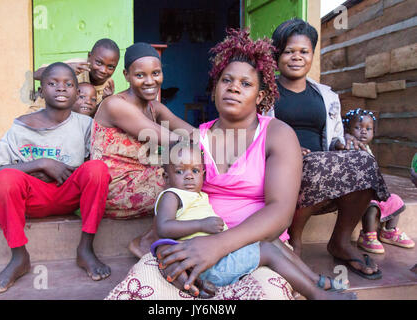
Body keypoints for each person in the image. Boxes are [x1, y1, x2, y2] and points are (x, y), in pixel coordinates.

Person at [105, 29, 334, 300]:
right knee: (140, 289)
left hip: (257, 249)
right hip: (193, 245)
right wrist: (171, 250)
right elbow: (176, 198)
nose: (234, 87)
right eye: (226, 80)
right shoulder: (193, 140)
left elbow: (280, 213)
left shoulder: (277, 134)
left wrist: (215, 245)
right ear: (215, 88)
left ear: (261, 96)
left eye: (246, 84)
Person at [268, 18, 390, 280]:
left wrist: (343, 142)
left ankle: (341, 241)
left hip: (322, 164)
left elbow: (334, 136)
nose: (296, 57)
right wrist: (288, 147)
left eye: (304, 51)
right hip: (282, 168)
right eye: (289, 51)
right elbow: (254, 133)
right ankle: (295, 241)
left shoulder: (326, 95)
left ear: (312, 54)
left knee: (363, 160)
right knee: (314, 166)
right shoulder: (264, 92)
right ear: (277, 54)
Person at [155, 142, 355, 299]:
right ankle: (317, 295)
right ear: (166, 176)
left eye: (195, 171)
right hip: (206, 266)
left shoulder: (197, 195)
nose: (189, 177)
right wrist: (201, 225)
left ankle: (314, 280)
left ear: (203, 173)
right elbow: (164, 227)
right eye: (180, 171)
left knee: (269, 238)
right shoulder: (171, 195)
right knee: (266, 250)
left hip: (219, 254)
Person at [0, 62, 111, 293]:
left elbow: (96, 165)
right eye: (53, 83)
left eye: (68, 84)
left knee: (98, 169)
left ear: (76, 92)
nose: (61, 88)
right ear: (41, 91)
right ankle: (18, 256)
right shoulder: (20, 127)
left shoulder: (85, 124)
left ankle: (86, 248)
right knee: (6, 179)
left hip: (69, 195)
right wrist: (40, 164)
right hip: (33, 198)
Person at [91, 42, 195, 258]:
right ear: (126, 75)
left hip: (146, 178)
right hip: (116, 190)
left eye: (156, 73)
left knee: (192, 173)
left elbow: (192, 133)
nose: (150, 81)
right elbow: (171, 139)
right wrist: (205, 149)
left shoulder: (153, 107)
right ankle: (146, 240)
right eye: (140, 75)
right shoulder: (115, 104)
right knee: (190, 178)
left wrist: (220, 140)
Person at [343, 108, 415, 253]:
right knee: (371, 205)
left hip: (372, 189)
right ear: (347, 130)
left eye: (368, 129)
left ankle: (389, 230)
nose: (363, 131)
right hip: (357, 191)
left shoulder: (367, 149)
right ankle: (367, 235)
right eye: (358, 127)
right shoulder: (347, 147)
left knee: (395, 200)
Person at [31, 38, 119, 111]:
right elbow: (36, 75)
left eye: (110, 67)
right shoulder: (77, 66)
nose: (103, 70)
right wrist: (66, 69)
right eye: (99, 63)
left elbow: (92, 116)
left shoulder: (108, 87)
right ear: (89, 56)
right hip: (39, 113)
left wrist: (105, 101)